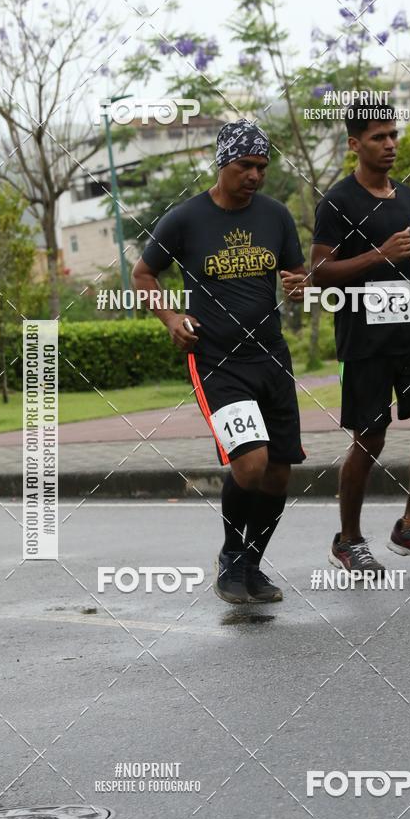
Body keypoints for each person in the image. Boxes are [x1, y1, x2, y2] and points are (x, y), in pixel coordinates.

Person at [132, 118, 308, 604]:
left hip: (271, 357)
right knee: (250, 464)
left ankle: (253, 565)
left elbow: (296, 274)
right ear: (222, 162)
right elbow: (144, 273)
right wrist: (170, 318)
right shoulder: (186, 219)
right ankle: (231, 557)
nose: (254, 175)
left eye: (262, 167)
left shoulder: (276, 216)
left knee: (278, 471)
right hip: (217, 362)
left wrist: (299, 285)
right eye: (245, 165)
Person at [311, 105, 410, 573]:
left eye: (393, 135)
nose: (390, 144)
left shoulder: (408, 197)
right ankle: (348, 540)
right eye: (378, 137)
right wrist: (378, 255)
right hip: (363, 341)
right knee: (369, 441)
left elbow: (400, 266)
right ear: (355, 144)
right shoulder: (336, 202)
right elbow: (318, 274)